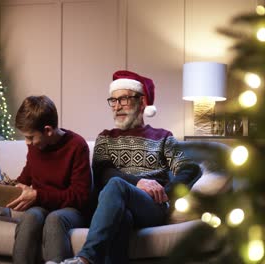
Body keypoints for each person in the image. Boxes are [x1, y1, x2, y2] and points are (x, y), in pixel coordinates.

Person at [52, 70, 201, 264]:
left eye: (123, 99)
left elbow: (190, 168)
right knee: (122, 215)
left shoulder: (162, 136)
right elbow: (102, 174)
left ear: (142, 102)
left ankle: (85, 258)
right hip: (116, 205)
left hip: (150, 206)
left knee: (116, 184)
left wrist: (164, 192)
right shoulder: (105, 137)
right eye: (113, 101)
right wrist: (139, 182)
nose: (117, 106)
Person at [8, 95, 92, 264]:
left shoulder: (77, 145)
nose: (27, 143)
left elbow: (80, 196)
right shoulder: (36, 147)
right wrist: (9, 188)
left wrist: (38, 196)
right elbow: (27, 174)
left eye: (30, 137)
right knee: (30, 216)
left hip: (71, 210)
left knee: (55, 219)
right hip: (42, 207)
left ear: (48, 130)